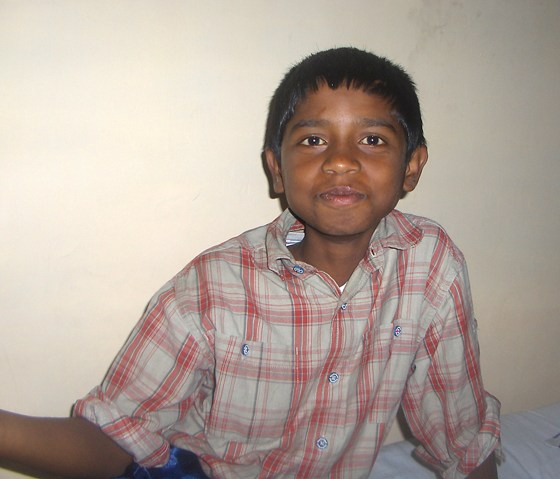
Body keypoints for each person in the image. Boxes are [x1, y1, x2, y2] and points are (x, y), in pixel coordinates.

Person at [0, 47, 500, 479]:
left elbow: (461, 433)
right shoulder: (212, 287)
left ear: (412, 165)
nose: (341, 160)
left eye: (372, 139)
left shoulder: (429, 266)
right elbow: (116, 438)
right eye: (313, 140)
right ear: (276, 169)